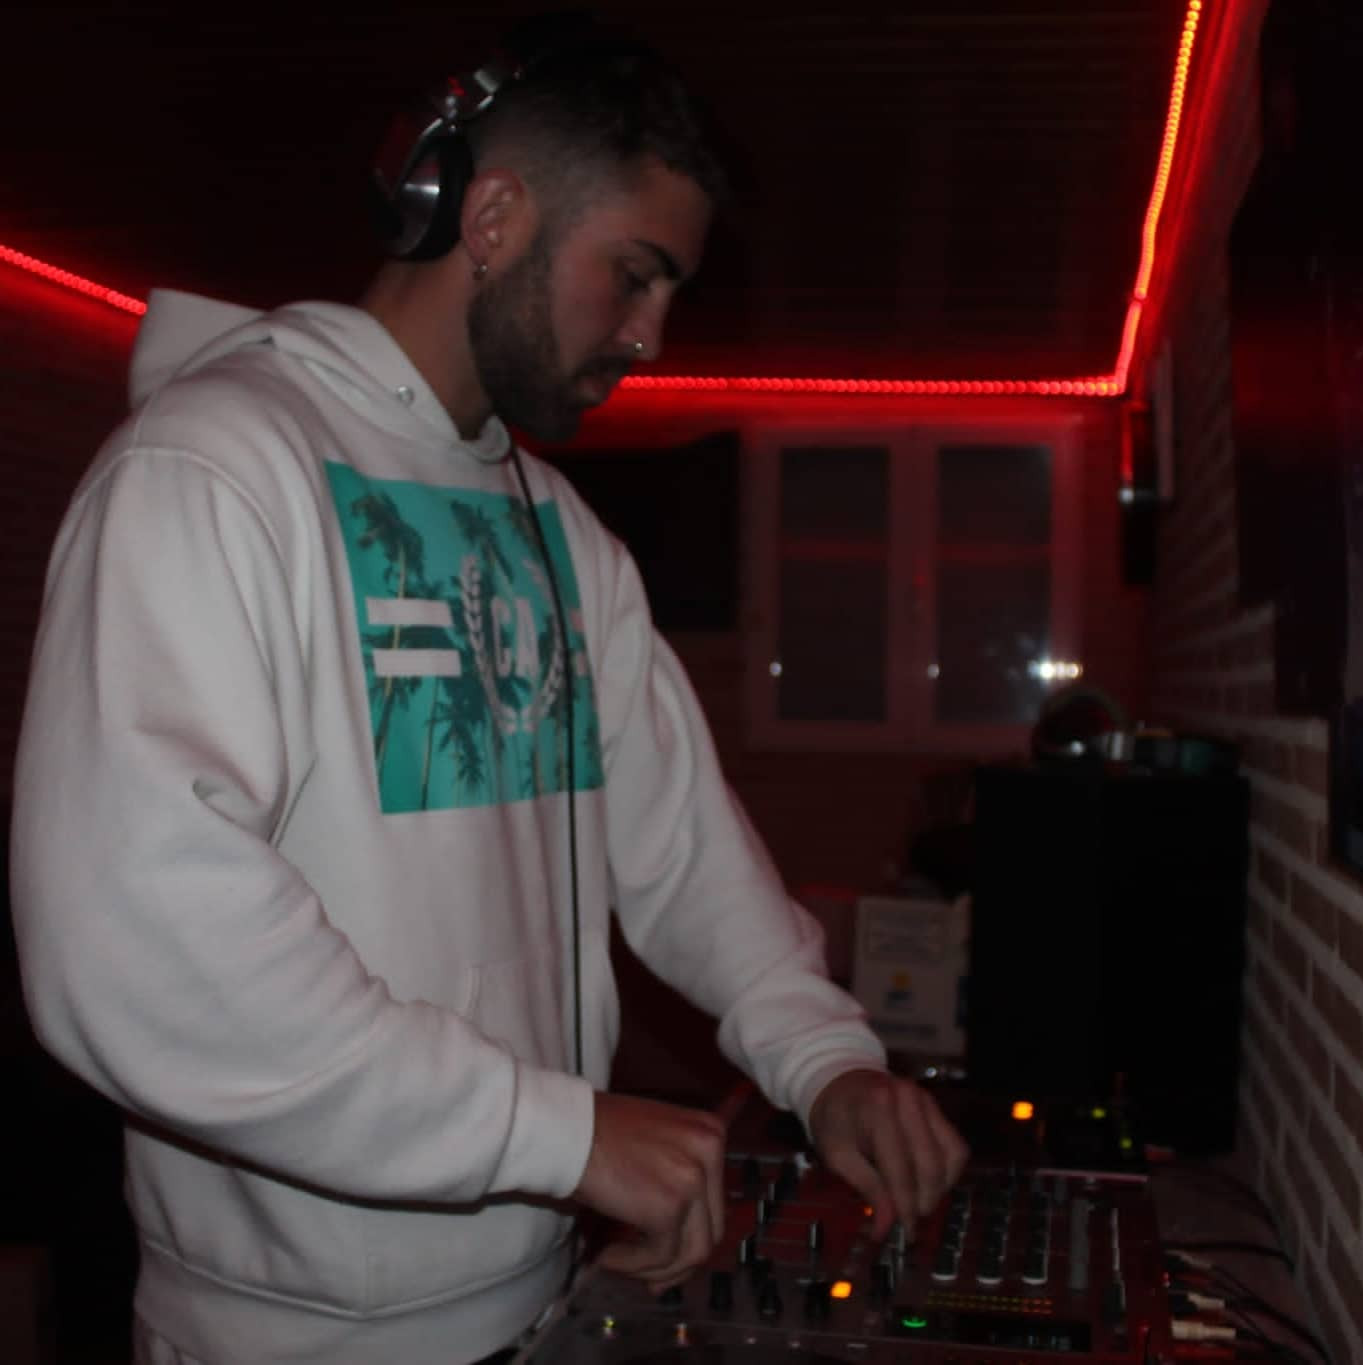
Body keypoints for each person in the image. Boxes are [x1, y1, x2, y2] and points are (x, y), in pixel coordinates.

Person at [10, 17, 967, 1365]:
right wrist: (556, 1132)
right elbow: (145, 931)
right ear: (495, 214)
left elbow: (683, 853)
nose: (650, 336)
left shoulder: (564, 535)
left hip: (535, 1289)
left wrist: (827, 1061)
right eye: (634, 274)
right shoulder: (213, 470)